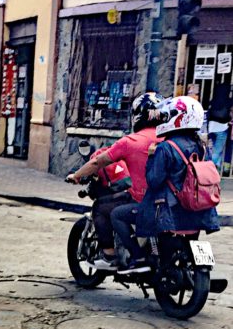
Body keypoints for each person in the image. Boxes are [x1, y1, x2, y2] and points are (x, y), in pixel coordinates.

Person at [67, 91, 161, 271]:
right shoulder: (172, 139)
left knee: (104, 209)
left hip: (145, 201)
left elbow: (98, 162)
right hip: (171, 202)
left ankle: (115, 255)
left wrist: (76, 175)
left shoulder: (131, 141)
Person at [135, 95, 220, 261]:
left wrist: (151, 156)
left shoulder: (165, 147)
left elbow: (154, 180)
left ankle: (142, 259)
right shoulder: (202, 147)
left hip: (172, 211)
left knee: (161, 257)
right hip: (199, 209)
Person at [207, 83, 232, 172]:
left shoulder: (213, 100)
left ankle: (215, 167)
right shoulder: (228, 101)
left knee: (211, 148)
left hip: (211, 128)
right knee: (218, 150)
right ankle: (210, 167)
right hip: (222, 128)